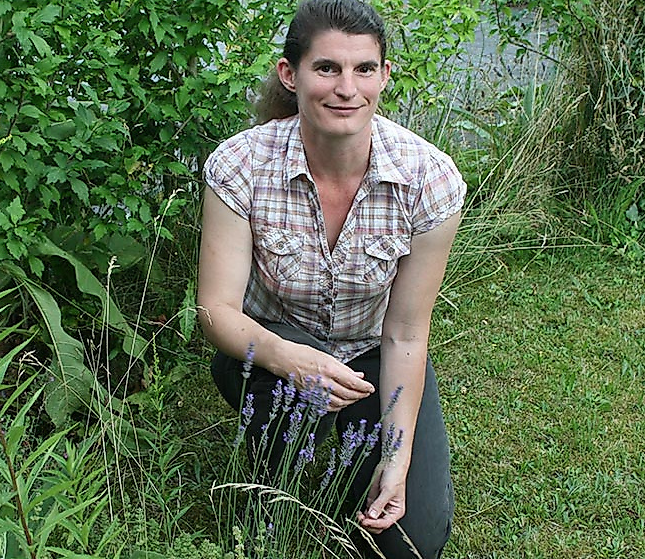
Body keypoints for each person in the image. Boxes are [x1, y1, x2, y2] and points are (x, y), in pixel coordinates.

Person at [196, 0, 465, 557]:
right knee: (281, 488)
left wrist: (396, 457)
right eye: (327, 68)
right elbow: (215, 310)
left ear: (385, 76)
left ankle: (357, 458)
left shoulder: (431, 179)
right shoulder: (240, 165)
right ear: (290, 75)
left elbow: (407, 336)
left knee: (411, 542)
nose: (347, 88)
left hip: (371, 357)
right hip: (272, 346)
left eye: (364, 69)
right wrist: (288, 359)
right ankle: (276, 473)